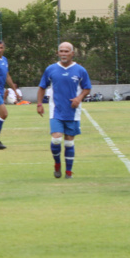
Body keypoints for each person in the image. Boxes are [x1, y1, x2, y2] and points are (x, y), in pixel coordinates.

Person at [36, 42, 92, 179]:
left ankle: (68, 172)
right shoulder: (51, 69)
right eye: (61, 51)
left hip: (73, 112)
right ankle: (57, 164)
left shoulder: (80, 70)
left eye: (66, 51)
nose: (63, 54)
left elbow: (87, 88)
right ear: (57, 53)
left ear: (72, 53)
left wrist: (79, 98)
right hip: (56, 111)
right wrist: (39, 104)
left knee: (69, 142)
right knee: (56, 139)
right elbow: (42, 87)